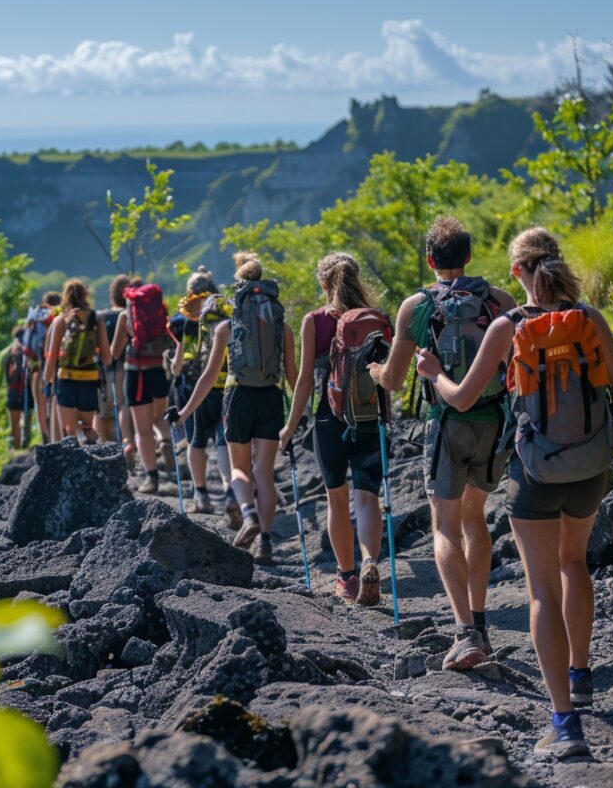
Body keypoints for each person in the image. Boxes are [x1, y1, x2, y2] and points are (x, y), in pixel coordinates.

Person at [412, 227, 613, 759]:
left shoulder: (508, 326)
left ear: (515, 273)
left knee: (541, 590)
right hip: (593, 466)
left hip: (535, 475)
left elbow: (460, 399)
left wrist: (433, 373)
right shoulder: (590, 318)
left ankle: (565, 727)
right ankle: (582, 675)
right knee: (575, 565)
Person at [369, 217, 516, 670]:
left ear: (430, 260)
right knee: (476, 519)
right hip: (495, 422)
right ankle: (481, 621)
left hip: (446, 421)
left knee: (445, 526)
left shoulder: (416, 306)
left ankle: (465, 632)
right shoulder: (500, 301)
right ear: (469, 256)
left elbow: (393, 380)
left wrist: (375, 371)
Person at [171, 252, 296, 564]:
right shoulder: (283, 325)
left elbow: (208, 376)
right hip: (271, 397)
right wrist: (298, 416)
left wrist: (184, 413)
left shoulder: (225, 327)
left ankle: (249, 514)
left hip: (237, 397)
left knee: (239, 469)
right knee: (263, 474)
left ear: (238, 286)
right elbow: (295, 376)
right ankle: (265, 541)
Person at [280, 253, 387, 604]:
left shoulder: (315, 321)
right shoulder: (378, 320)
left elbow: (305, 382)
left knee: (337, 499)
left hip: (329, 421)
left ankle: (347, 577)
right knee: (368, 497)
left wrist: (290, 427)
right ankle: (371, 560)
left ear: (323, 283)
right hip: (370, 420)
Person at [171, 268, 238, 522]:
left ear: (190, 292)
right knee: (224, 441)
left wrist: (172, 365)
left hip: (194, 390)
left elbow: (180, 364)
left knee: (196, 442)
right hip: (227, 386)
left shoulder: (187, 320)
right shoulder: (225, 313)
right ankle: (230, 491)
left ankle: (200, 495)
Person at [110, 278, 177, 494]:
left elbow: (115, 351)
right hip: (160, 370)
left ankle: (151, 477)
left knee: (142, 430)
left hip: (136, 373)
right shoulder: (161, 311)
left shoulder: (125, 315)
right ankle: (166, 441)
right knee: (160, 417)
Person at [44, 279, 111, 444]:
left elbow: (52, 355)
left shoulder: (62, 320)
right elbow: (107, 358)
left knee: (69, 432)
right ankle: (90, 461)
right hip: (89, 379)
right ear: (86, 295)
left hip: (66, 378)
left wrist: (47, 380)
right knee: (88, 427)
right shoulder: (96, 319)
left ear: (65, 297)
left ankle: (72, 464)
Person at [96, 275, 135, 450]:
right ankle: (128, 446)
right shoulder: (131, 316)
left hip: (104, 370)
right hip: (127, 367)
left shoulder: (101, 316)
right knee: (124, 407)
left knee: (103, 414)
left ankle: (109, 448)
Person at [26, 291, 63, 444]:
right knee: (56, 406)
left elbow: (27, 347)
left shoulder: (34, 318)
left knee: (40, 409)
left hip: (38, 368)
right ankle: (60, 441)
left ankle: (46, 441)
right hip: (58, 368)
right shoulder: (61, 317)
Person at [0, 333, 32, 449]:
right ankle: (26, 444)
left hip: (13, 390)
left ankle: (16, 448)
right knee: (27, 418)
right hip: (28, 390)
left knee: (14, 423)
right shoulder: (29, 350)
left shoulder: (5, 353)